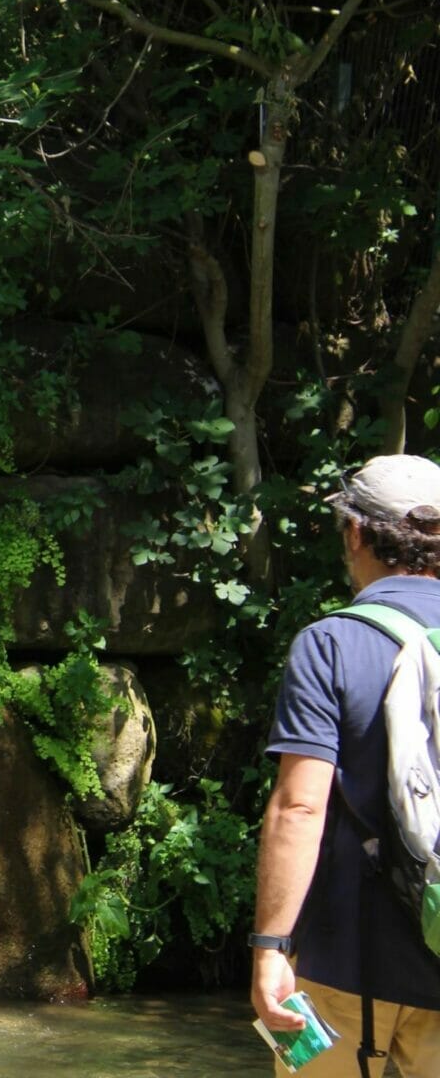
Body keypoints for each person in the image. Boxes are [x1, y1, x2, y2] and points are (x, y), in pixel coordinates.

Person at [252, 454, 440, 1074]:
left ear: (356, 533)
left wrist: (271, 949)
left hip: (347, 965)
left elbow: (299, 806)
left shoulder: (330, 643)